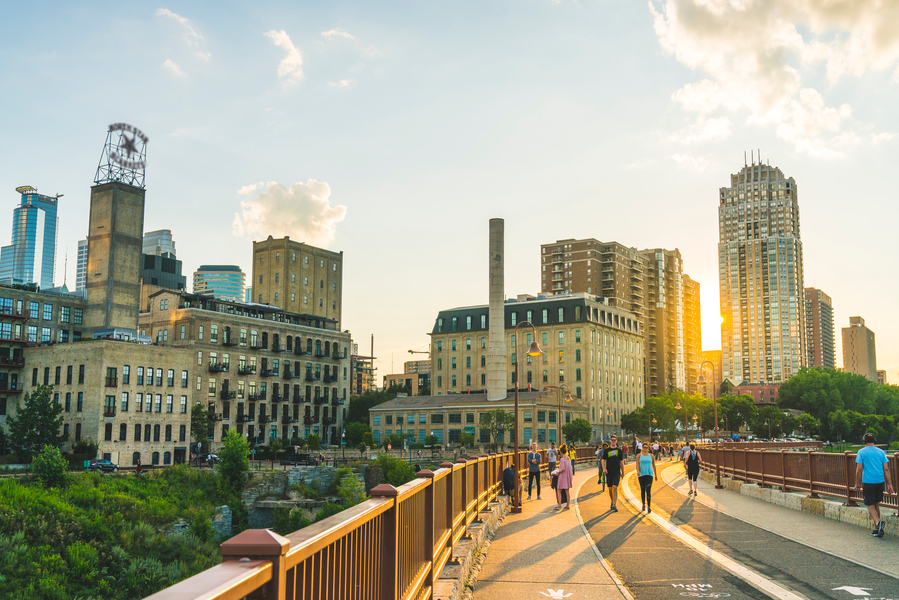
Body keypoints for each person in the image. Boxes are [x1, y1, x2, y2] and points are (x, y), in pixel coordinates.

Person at [855, 433, 894, 538]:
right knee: (876, 504)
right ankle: (876, 530)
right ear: (874, 440)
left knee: (869, 504)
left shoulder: (861, 452)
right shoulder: (881, 452)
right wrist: (889, 484)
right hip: (880, 481)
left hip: (868, 481)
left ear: (864, 441)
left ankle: (878, 522)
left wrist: (857, 483)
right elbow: (886, 469)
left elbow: (859, 469)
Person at [601, 436, 625, 512]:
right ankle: (612, 501)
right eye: (612, 440)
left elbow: (621, 462)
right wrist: (604, 468)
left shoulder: (619, 451)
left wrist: (623, 472)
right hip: (609, 471)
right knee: (610, 488)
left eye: (615, 440)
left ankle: (614, 505)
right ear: (610, 441)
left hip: (617, 471)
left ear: (616, 441)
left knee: (615, 487)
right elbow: (603, 460)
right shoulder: (607, 451)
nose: (613, 441)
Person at [637, 441, 658, 512]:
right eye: (644, 447)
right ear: (642, 448)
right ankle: (643, 504)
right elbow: (637, 464)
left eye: (646, 447)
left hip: (649, 474)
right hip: (641, 474)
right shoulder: (639, 455)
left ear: (648, 448)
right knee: (642, 490)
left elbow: (654, 465)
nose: (645, 449)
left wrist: (655, 475)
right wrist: (637, 471)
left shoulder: (651, 456)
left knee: (648, 490)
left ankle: (649, 506)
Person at [556, 444, 573, 509]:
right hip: (567, 476)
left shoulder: (562, 459)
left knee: (559, 490)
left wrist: (558, 472)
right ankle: (568, 505)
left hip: (562, 476)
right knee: (567, 491)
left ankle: (559, 504)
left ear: (561, 451)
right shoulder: (568, 458)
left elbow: (562, 468)